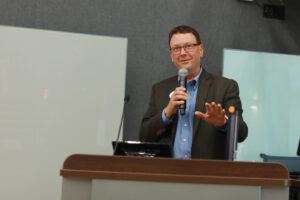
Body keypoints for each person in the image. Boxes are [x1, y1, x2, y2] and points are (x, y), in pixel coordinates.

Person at [139, 25, 248, 160]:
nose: (183, 53)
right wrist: (167, 113)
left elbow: (242, 133)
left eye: (189, 46)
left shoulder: (225, 87)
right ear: (171, 55)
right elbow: (144, 135)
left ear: (201, 50)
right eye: (177, 48)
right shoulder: (160, 89)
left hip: (207, 174)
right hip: (167, 173)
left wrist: (224, 123)